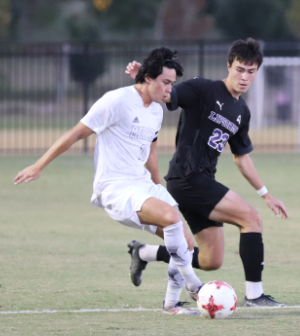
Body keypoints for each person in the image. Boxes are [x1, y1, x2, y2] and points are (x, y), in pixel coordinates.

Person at [14, 48, 202, 315]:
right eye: (166, 82)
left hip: (143, 186)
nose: (170, 90)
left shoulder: (157, 112)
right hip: (116, 188)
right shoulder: (115, 101)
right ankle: (195, 286)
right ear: (148, 78)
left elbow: (150, 151)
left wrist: (158, 187)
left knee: (187, 243)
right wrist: (38, 165)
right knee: (172, 218)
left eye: (172, 83)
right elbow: (75, 133)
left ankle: (171, 305)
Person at [125, 38, 289, 307]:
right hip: (188, 177)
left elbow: (241, 158)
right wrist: (142, 81)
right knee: (251, 219)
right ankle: (255, 295)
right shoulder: (204, 89)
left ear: (257, 72)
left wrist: (266, 194)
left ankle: (144, 252)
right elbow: (167, 95)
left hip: (201, 181)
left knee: (210, 261)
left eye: (251, 71)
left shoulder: (241, 112)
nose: (244, 76)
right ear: (229, 66)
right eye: (239, 69)